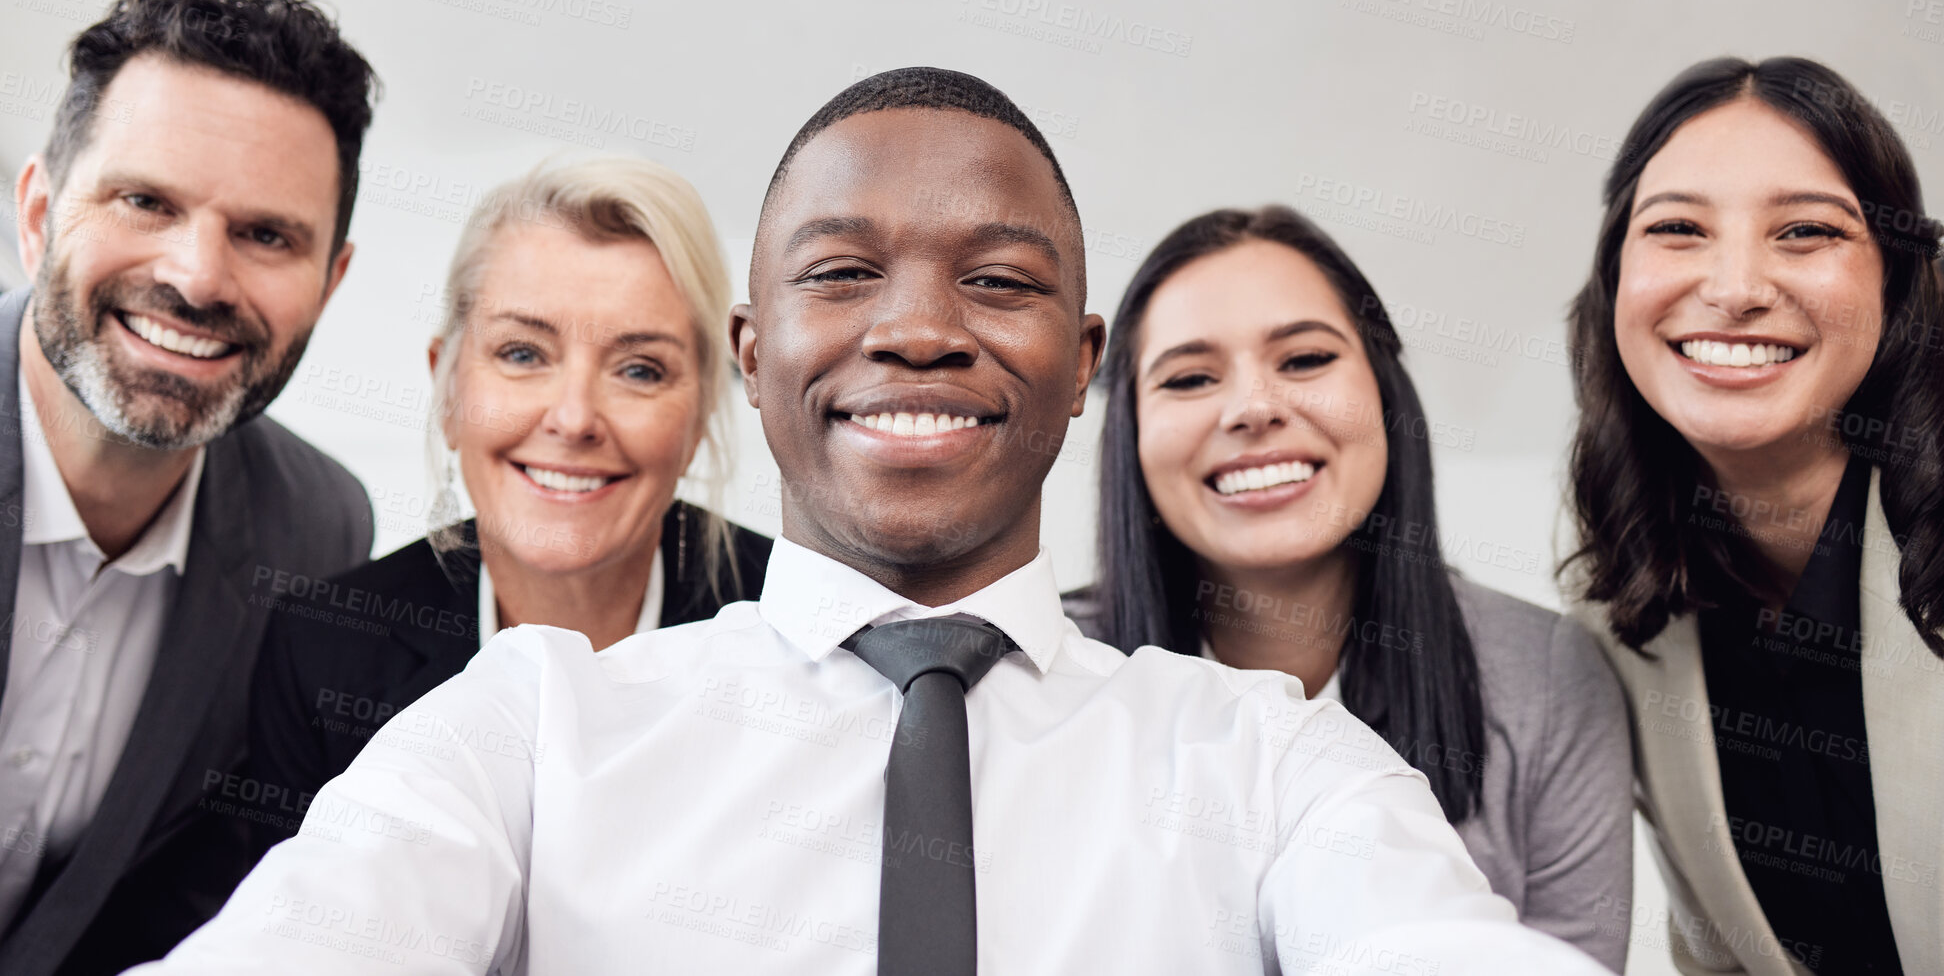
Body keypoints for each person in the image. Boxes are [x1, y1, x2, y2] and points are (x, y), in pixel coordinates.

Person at [133, 67, 1606, 975]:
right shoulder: (527, 726)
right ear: (753, 353)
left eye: (1002, 282)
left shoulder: (1273, 757)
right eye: (842, 275)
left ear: (1082, 366)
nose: (917, 329)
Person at [1068, 205, 1631, 969]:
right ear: (1129, 435)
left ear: (1386, 395)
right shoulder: (1037, 675)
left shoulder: (1550, 678)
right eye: (1191, 377)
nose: (1254, 408)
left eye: (1303, 360)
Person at [0, 0, 378, 976]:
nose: (198, 277)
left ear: (329, 283)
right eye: (145, 200)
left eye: (266, 235)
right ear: (38, 215)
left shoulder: (321, 530)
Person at [244, 158, 773, 857]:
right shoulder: (322, 649)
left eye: (639, 369)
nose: (574, 417)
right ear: (447, 388)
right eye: (523, 353)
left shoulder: (798, 636)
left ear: (702, 413)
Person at [1560, 56, 1944, 975]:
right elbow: (1717, 951)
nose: (1735, 288)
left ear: (1896, 283)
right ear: (1617, 277)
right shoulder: (1614, 567)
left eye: (1806, 231)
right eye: (1678, 228)